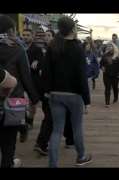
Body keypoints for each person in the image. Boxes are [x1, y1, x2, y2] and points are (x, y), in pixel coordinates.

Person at [41, 15, 93, 167]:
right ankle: (81, 157)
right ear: (73, 29)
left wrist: (46, 92)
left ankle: (53, 164)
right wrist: (87, 100)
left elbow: (46, 72)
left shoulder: (53, 47)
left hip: (55, 94)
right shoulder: (77, 49)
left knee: (57, 130)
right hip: (74, 95)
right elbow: (81, 76)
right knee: (77, 127)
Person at [0, 15, 39, 167]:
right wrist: (35, 100)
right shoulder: (17, 48)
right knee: (9, 142)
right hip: (13, 102)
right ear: (11, 31)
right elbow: (25, 76)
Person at [34, 29, 75, 155]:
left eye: (49, 35)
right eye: (45, 35)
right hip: (48, 90)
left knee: (62, 115)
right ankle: (41, 143)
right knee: (51, 117)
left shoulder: (56, 52)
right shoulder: (42, 52)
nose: (46, 38)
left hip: (57, 89)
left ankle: (69, 139)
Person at [99, 42, 119, 107]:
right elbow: (101, 63)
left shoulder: (118, 56)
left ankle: (116, 97)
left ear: (114, 48)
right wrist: (102, 67)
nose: (109, 47)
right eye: (108, 46)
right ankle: (107, 101)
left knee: (115, 87)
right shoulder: (105, 55)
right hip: (106, 74)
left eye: (111, 46)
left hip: (115, 75)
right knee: (107, 88)